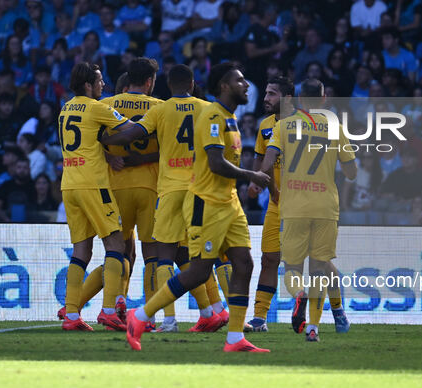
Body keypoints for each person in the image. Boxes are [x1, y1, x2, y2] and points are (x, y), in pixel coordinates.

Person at [124, 62, 271, 352]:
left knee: (244, 263)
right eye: (240, 81)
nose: (247, 86)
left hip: (229, 202)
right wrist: (251, 176)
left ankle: (235, 337)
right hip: (206, 202)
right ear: (224, 86)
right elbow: (216, 163)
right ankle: (139, 316)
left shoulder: (229, 117)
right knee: (199, 271)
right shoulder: (212, 114)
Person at [101, 63, 230, 333]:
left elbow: (134, 133)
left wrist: (104, 141)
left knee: (161, 256)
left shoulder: (160, 109)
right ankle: (214, 310)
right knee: (197, 254)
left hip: (169, 189)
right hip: (201, 189)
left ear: (168, 85)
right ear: (193, 84)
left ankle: (168, 320)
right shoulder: (208, 109)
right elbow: (224, 149)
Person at [261, 78, 357, 342]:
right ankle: (314, 328)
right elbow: (351, 172)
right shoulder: (334, 126)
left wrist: (260, 179)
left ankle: (299, 294)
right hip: (326, 206)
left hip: (293, 207)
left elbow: (268, 163)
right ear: (324, 99)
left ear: (300, 100)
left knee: (292, 267)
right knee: (319, 269)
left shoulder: (283, 126)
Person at [59, 62, 136, 332]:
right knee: (116, 245)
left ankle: (71, 316)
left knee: (81, 250)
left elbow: (89, 138)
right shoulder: (98, 108)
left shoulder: (65, 108)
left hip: (69, 184)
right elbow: (131, 129)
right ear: (88, 85)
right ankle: (107, 311)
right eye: (100, 80)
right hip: (94, 184)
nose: (104, 85)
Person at [244, 76, 294, 332]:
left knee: (301, 262)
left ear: (286, 98)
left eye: (272, 94)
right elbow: (260, 161)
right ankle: (259, 318)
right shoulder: (265, 126)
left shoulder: (301, 125)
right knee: (269, 259)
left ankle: (323, 311)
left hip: (301, 205)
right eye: (265, 93)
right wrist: (255, 184)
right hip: (275, 205)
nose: (265, 99)